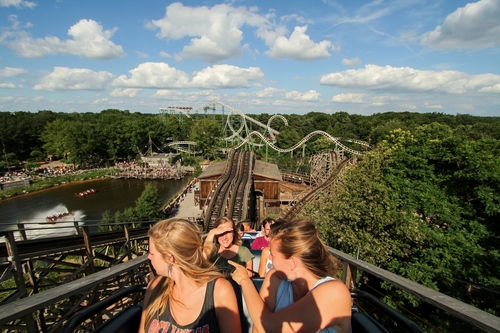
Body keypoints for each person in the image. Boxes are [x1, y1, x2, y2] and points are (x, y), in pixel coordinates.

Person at [229, 219, 352, 333]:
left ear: (292, 262)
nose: (269, 258)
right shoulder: (275, 278)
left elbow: (268, 327)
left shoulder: (334, 293)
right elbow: (257, 329)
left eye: (272, 254)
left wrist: (245, 281)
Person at [138, 218, 242, 333]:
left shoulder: (219, 291)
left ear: (169, 257)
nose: (149, 257)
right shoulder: (155, 287)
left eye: (152, 253)